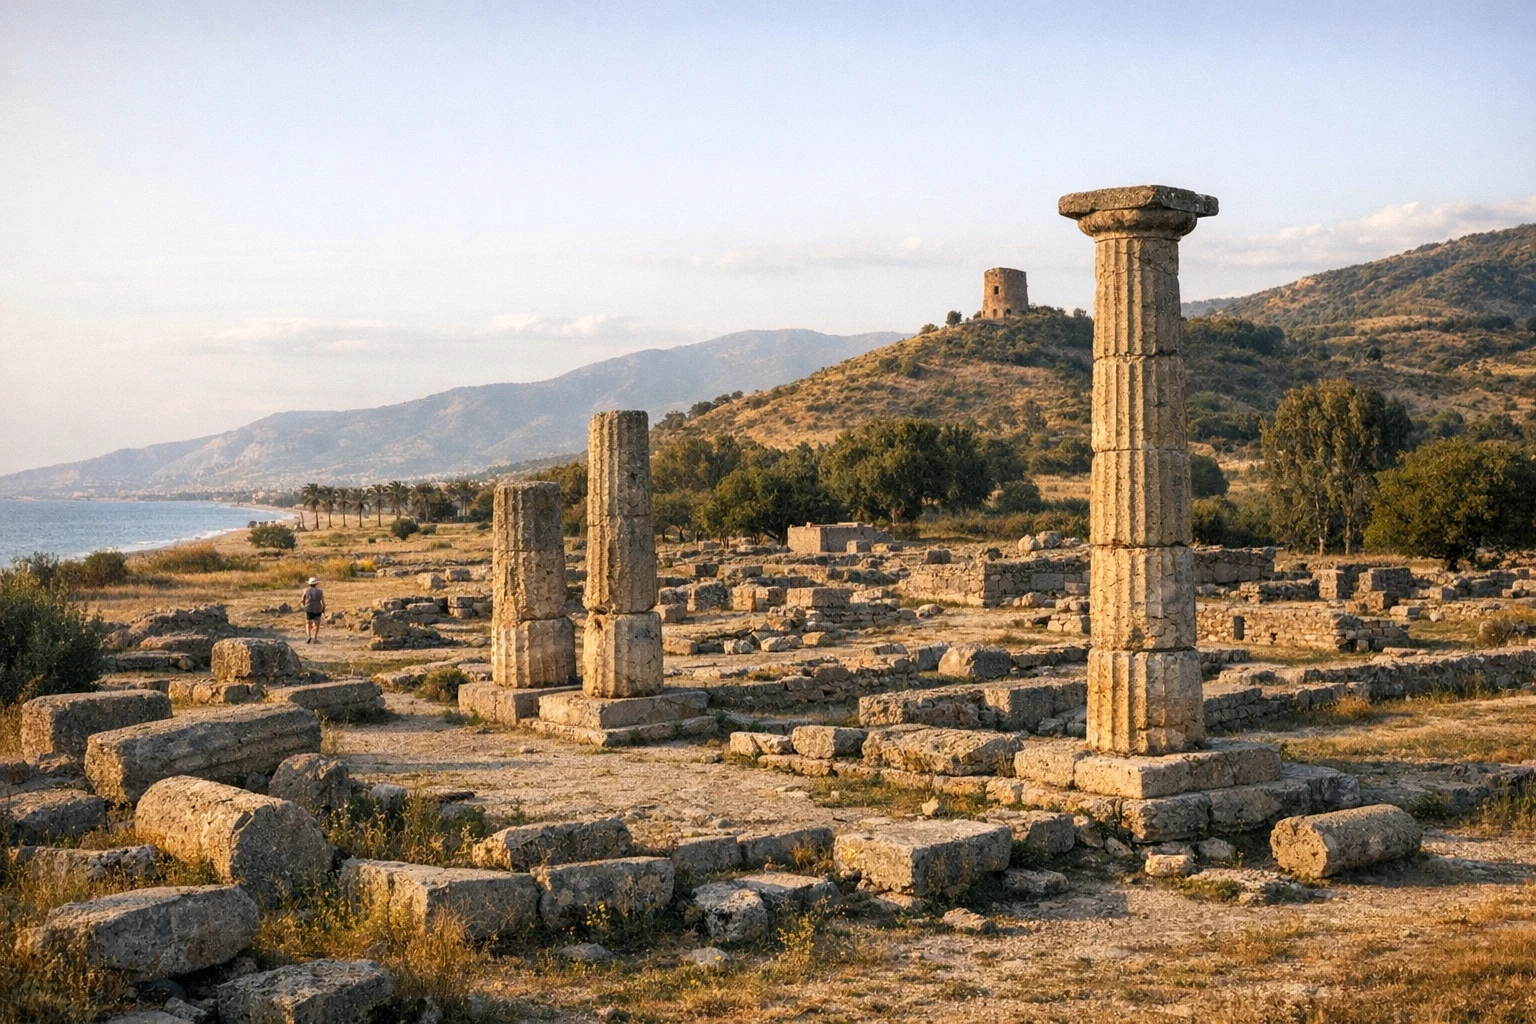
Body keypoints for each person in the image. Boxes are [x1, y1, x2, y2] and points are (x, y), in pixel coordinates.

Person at [300, 577, 326, 643]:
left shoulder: (306, 590)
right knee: (317, 623)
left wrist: (304, 605)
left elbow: (302, 599)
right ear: (316, 584)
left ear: (309, 584)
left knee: (308, 622)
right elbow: (323, 602)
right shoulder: (320, 591)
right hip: (317, 608)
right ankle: (315, 638)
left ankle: (309, 637)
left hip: (308, 608)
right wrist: (323, 610)